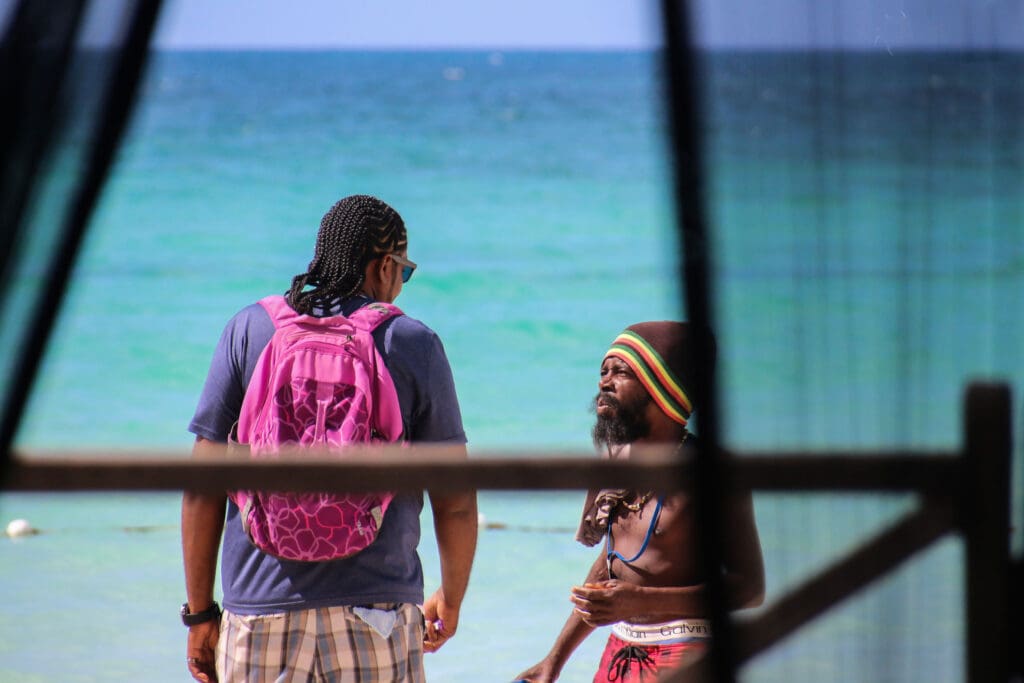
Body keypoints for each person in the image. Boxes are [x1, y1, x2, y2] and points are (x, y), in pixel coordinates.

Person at [181, 195, 477, 683]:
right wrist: (452, 596)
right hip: (378, 608)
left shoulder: (249, 330)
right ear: (385, 265)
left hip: (259, 610)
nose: (400, 286)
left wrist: (199, 615)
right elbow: (457, 501)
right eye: (404, 272)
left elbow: (201, 487)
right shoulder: (412, 343)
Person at [515, 322, 764, 682]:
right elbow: (612, 563)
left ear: (662, 388)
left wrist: (642, 601)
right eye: (603, 371)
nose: (604, 382)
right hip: (621, 650)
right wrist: (554, 659)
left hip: (689, 652)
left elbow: (749, 588)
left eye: (621, 372)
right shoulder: (615, 463)